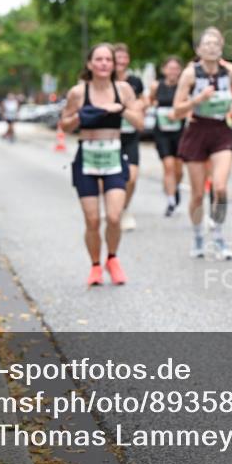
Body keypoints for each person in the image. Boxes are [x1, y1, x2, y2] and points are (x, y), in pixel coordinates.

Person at [59, 43, 144, 286]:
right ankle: (95, 265)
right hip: (87, 157)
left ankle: (113, 258)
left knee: (114, 217)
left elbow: (139, 123)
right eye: (99, 59)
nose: (104, 63)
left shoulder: (124, 89)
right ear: (90, 64)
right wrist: (82, 115)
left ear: (113, 64)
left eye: (108, 59)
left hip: (113, 156)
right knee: (93, 220)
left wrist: (121, 109)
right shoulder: (78, 92)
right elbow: (64, 126)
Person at [172, 27, 232, 260]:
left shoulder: (230, 71)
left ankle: (217, 233)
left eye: (216, 43)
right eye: (207, 44)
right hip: (196, 131)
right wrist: (198, 99)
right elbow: (176, 110)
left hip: (220, 131)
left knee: (220, 188)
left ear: (221, 48)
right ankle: (197, 235)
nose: (212, 47)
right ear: (199, 49)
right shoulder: (190, 74)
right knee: (197, 194)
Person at [149, 56, 186, 216]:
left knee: (179, 169)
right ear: (164, 70)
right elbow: (150, 101)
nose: (173, 72)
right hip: (162, 132)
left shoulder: (184, 87)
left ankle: (175, 187)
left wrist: (179, 113)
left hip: (180, 132)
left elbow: (190, 105)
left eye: (176, 68)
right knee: (168, 166)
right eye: (170, 68)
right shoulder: (156, 86)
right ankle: (171, 201)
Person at [113, 43, 145, 231]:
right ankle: (113, 207)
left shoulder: (135, 81)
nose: (122, 61)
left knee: (131, 178)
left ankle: (124, 208)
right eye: (118, 57)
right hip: (110, 137)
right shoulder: (103, 81)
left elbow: (144, 99)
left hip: (130, 135)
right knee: (111, 178)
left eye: (125, 58)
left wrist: (139, 105)